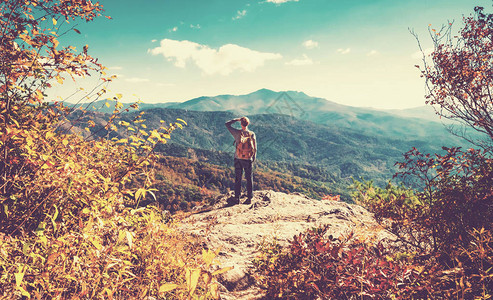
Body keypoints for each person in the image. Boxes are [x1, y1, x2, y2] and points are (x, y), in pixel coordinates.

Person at [225, 117, 257, 205]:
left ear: (241, 123)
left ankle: (237, 198)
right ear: (248, 124)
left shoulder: (236, 133)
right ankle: (249, 198)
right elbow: (255, 148)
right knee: (249, 178)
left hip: (238, 158)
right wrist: (253, 158)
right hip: (248, 159)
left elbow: (227, 124)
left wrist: (236, 119)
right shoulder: (252, 134)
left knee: (238, 178)